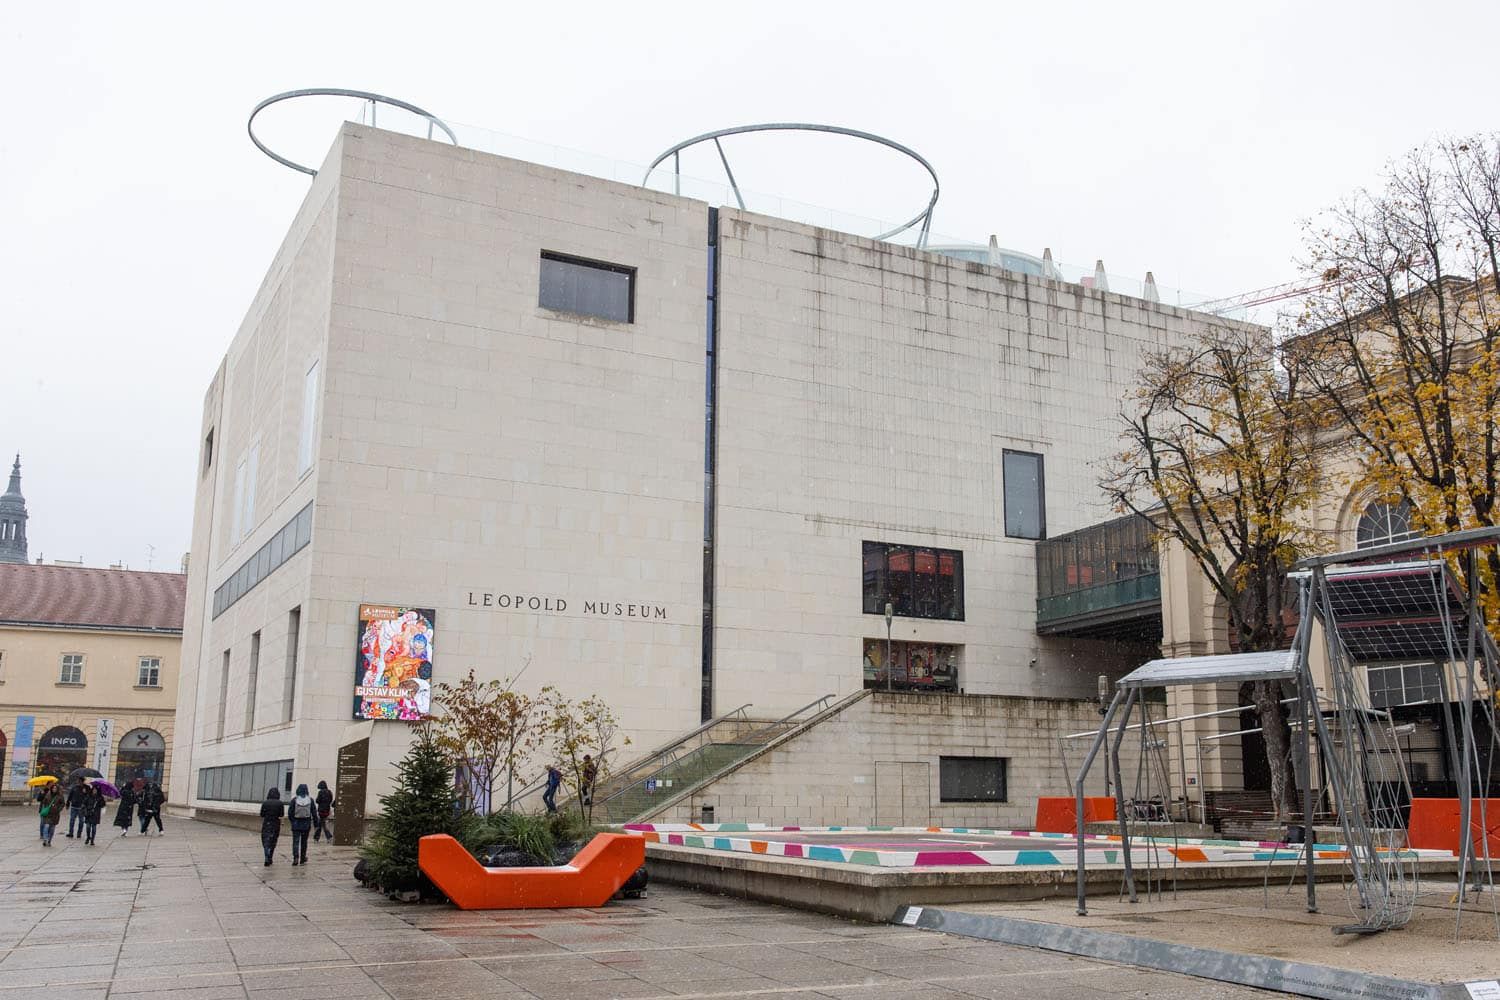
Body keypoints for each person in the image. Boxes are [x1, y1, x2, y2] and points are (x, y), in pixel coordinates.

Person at [287, 783, 316, 866]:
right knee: (304, 842)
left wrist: (293, 821)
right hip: (306, 824)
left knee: (295, 842)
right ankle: (302, 858)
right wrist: (316, 823)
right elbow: (314, 812)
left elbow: (290, 812)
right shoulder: (310, 800)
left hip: (296, 824)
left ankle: (296, 857)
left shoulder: (294, 800)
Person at [259, 787, 284, 866]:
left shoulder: (265, 803)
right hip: (275, 824)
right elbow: (281, 815)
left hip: (267, 823)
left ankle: (266, 856)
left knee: (266, 841)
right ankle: (270, 857)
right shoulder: (280, 803)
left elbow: (262, 814)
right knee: (273, 841)